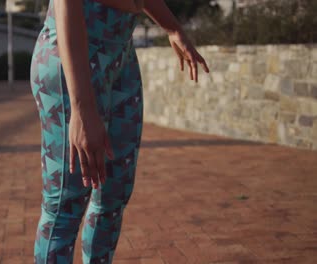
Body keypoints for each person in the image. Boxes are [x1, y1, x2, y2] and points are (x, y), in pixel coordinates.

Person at [29, 0, 209, 263]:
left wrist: (172, 28)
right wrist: (81, 107)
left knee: (113, 197)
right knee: (64, 207)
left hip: (120, 58)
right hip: (71, 60)